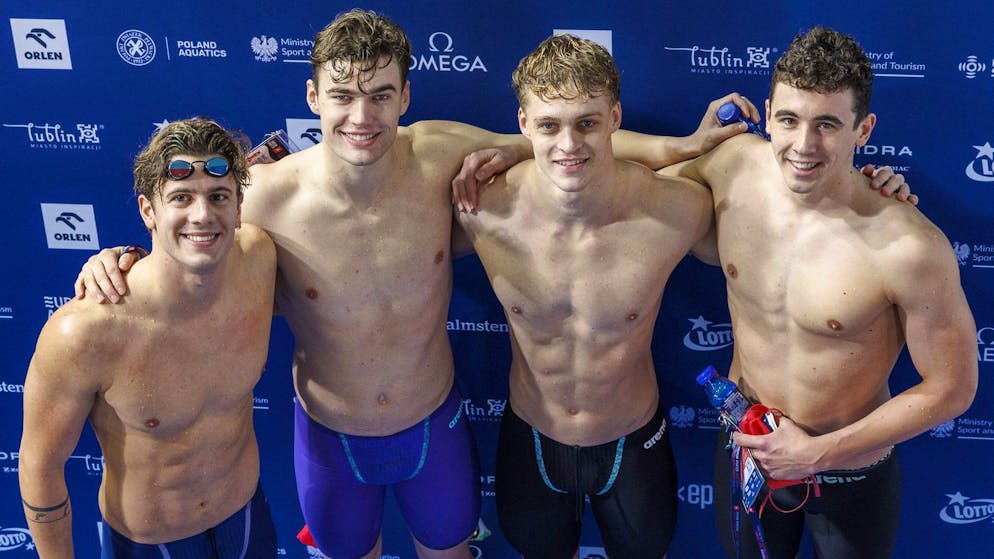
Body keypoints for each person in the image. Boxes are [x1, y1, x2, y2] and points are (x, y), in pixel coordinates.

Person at [71, 10, 771, 559]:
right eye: (343, 96)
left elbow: (561, 144)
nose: (362, 116)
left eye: (381, 95)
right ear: (312, 95)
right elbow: (190, 229)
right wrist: (120, 255)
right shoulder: (264, 195)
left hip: (433, 423)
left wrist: (680, 149)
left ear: (405, 94)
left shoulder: (439, 154)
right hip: (329, 437)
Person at [660, 26, 977, 558]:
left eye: (827, 124)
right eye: (788, 119)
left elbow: (954, 387)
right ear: (767, 112)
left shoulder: (909, 246)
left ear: (864, 129)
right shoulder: (733, 167)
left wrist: (816, 454)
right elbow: (620, 181)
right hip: (749, 451)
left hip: (851, 473)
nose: (803, 146)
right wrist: (510, 153)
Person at [452, 34, 721, 558]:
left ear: (615, 118)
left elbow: (781, 239)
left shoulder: (676, 209)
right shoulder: (480, 209)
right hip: (531, 438)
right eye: (549, 125)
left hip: (632, 442)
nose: (569, 146)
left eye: (587, 124)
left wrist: (874, 188)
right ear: (524, 123)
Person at [18, 118, 278, 557]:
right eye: (181, 198)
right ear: (147, 211)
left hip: (248, 521)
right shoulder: (86, 330)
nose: (202, 215)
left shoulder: (260, 260)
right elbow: (40, 466)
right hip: (151, 544)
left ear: (238, 208)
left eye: (218, 197)